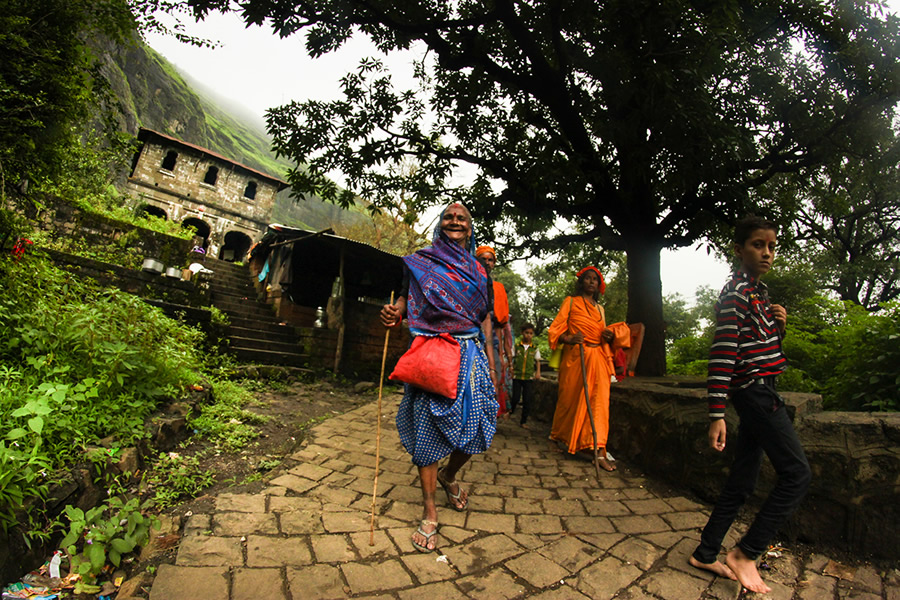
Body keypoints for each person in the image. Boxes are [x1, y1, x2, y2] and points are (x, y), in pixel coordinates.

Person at [688, 216, 811, 594]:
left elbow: (762, 348)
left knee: (742, 480)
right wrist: (716, 414)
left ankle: (706, 551)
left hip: (762, 386)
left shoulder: (760, 293)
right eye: (758, 245)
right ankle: (746, 553)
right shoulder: (737, 293)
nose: (767, 253)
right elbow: (723, 354)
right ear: (739, 250)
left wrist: (779, 325)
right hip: (754, 393)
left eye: (772, 247)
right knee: (797, 473)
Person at [380, 203, 498, 553]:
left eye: (462, 218)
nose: (455, 221)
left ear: (470, 227)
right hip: (432, 352)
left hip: (470, 354)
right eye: (449, 217)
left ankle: (449, 476)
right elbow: (404, 298)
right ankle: (430, 511)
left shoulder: (480, 271)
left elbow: (485, 318)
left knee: (478, 426)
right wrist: (394, 312)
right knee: (429, 428)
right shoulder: (421, 262)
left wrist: (492, 361)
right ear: (440, 223)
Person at [548, 266, 630, 471]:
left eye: (595, 279)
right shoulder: (571, 302)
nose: (592, 282)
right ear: (581, 282)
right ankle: (557, 437)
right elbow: (556, 329)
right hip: (576, 358)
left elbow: (603, 332)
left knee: (599, 403)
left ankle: (597, 449)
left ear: (599, 285)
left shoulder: (601, 310)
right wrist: (569, 338)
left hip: (599, 358)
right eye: (588, 278)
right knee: (569, 400)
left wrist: (609, 336)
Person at [475, 246, 513, 418]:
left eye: (490, 260)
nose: (487, 263)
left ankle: (486, 417)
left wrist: (500, 353)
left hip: (492, 338)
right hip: (472, 336)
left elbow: (500, 323)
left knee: (494, 378)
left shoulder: (498, 288)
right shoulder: (470, 281)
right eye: (483, 259)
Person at [510, 322, 541, 429]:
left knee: (527, 400)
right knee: (515, 397)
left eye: (531, 333)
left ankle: (523, 421)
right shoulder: (517, 347)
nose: (528, 335)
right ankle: (510, 412)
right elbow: (512, 358)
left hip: (528, 377)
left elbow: (537, 361)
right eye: (526, 333)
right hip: (517, 376)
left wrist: (538, 372)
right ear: (522, 333)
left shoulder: (534, 348)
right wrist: (511, 368)